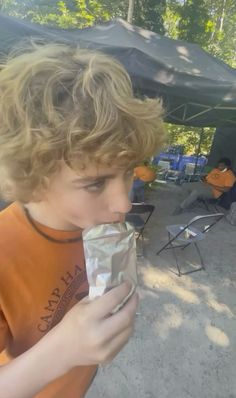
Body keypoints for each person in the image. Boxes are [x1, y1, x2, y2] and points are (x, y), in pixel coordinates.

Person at [0, 42, 165, 398]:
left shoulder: (99, 228)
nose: (124, 203)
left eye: (128, 174)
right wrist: (61, 351)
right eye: (95, 183)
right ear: (34, 177)